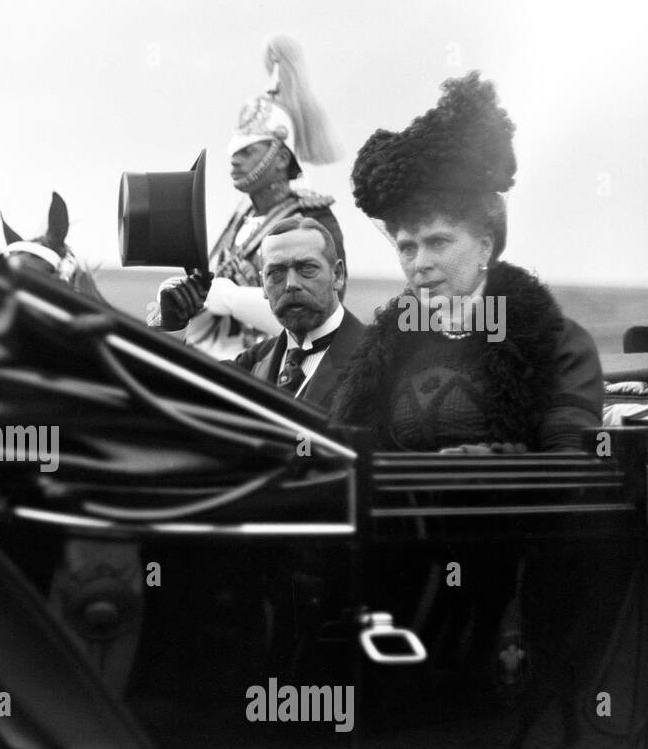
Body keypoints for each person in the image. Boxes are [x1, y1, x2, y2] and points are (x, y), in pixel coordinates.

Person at [331, 73, 603, 453]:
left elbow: (575, 463)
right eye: (407, 247)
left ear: (485, 245)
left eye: (438, 241)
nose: (420, 263)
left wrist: (483, 464)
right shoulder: (384, 352)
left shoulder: (555, 343)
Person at [149, 36, 346, 361]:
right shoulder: (241, 217)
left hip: (271, 370)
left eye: (248, 151)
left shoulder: (315, 219)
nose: (235, 160)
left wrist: (230, 297)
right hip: (214, 360)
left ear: (281, 158)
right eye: (234, 151)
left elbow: (328, 308)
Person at [232, 215, 365, 409]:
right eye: (276, 272)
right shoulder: (251, 363)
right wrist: (176, 325)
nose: (291, 284)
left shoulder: (383, 357)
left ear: (337, 275)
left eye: (307, 268)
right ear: (263, 285)